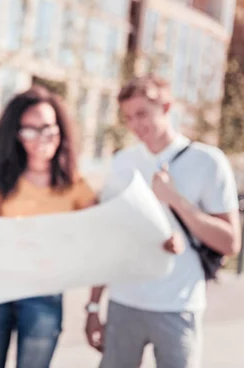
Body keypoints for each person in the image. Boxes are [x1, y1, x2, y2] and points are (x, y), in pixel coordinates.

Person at [85, 74, 241, 368]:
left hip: (178, 306)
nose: (135, 125)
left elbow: (231, 242)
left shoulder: (208, 161)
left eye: (142, 113)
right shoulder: (122, 162)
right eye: (128, 117)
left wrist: (175, 200)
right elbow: (108, 240)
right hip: (123, 302)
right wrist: (94, 305)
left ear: (167, 108)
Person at [0, 87, 98, 368]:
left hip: (45, 292)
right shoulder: (2, 180)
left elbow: (96, 240)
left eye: (46, 127)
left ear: (60, 129)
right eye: (29, 130)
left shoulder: (76, 186)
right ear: (17, 136)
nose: (40, 138)